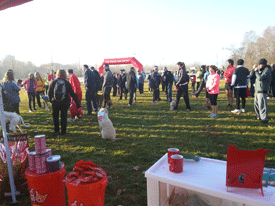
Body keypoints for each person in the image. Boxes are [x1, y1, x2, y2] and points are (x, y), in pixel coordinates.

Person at [48, 69, 80, 135]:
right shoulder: (66, 82)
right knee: (64, 117)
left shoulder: (53, 82)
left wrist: (51, 100)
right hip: (64, 102)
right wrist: (77, 103)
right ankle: (63, 131)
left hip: (55, 102)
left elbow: (49, 92)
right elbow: (72, 93)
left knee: (55, 117)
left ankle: (56, 130)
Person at [253, 58, 272, 124]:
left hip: (262, 90)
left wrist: (256, 72)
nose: (259, 66)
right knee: (256, 104)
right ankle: (258, 116)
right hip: (258, 90)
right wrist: (255, 71)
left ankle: (264, 118)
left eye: (260, 64)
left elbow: (260, 78)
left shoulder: (267, 71)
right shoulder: (261, 70)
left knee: (262, 105)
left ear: (263, 64)